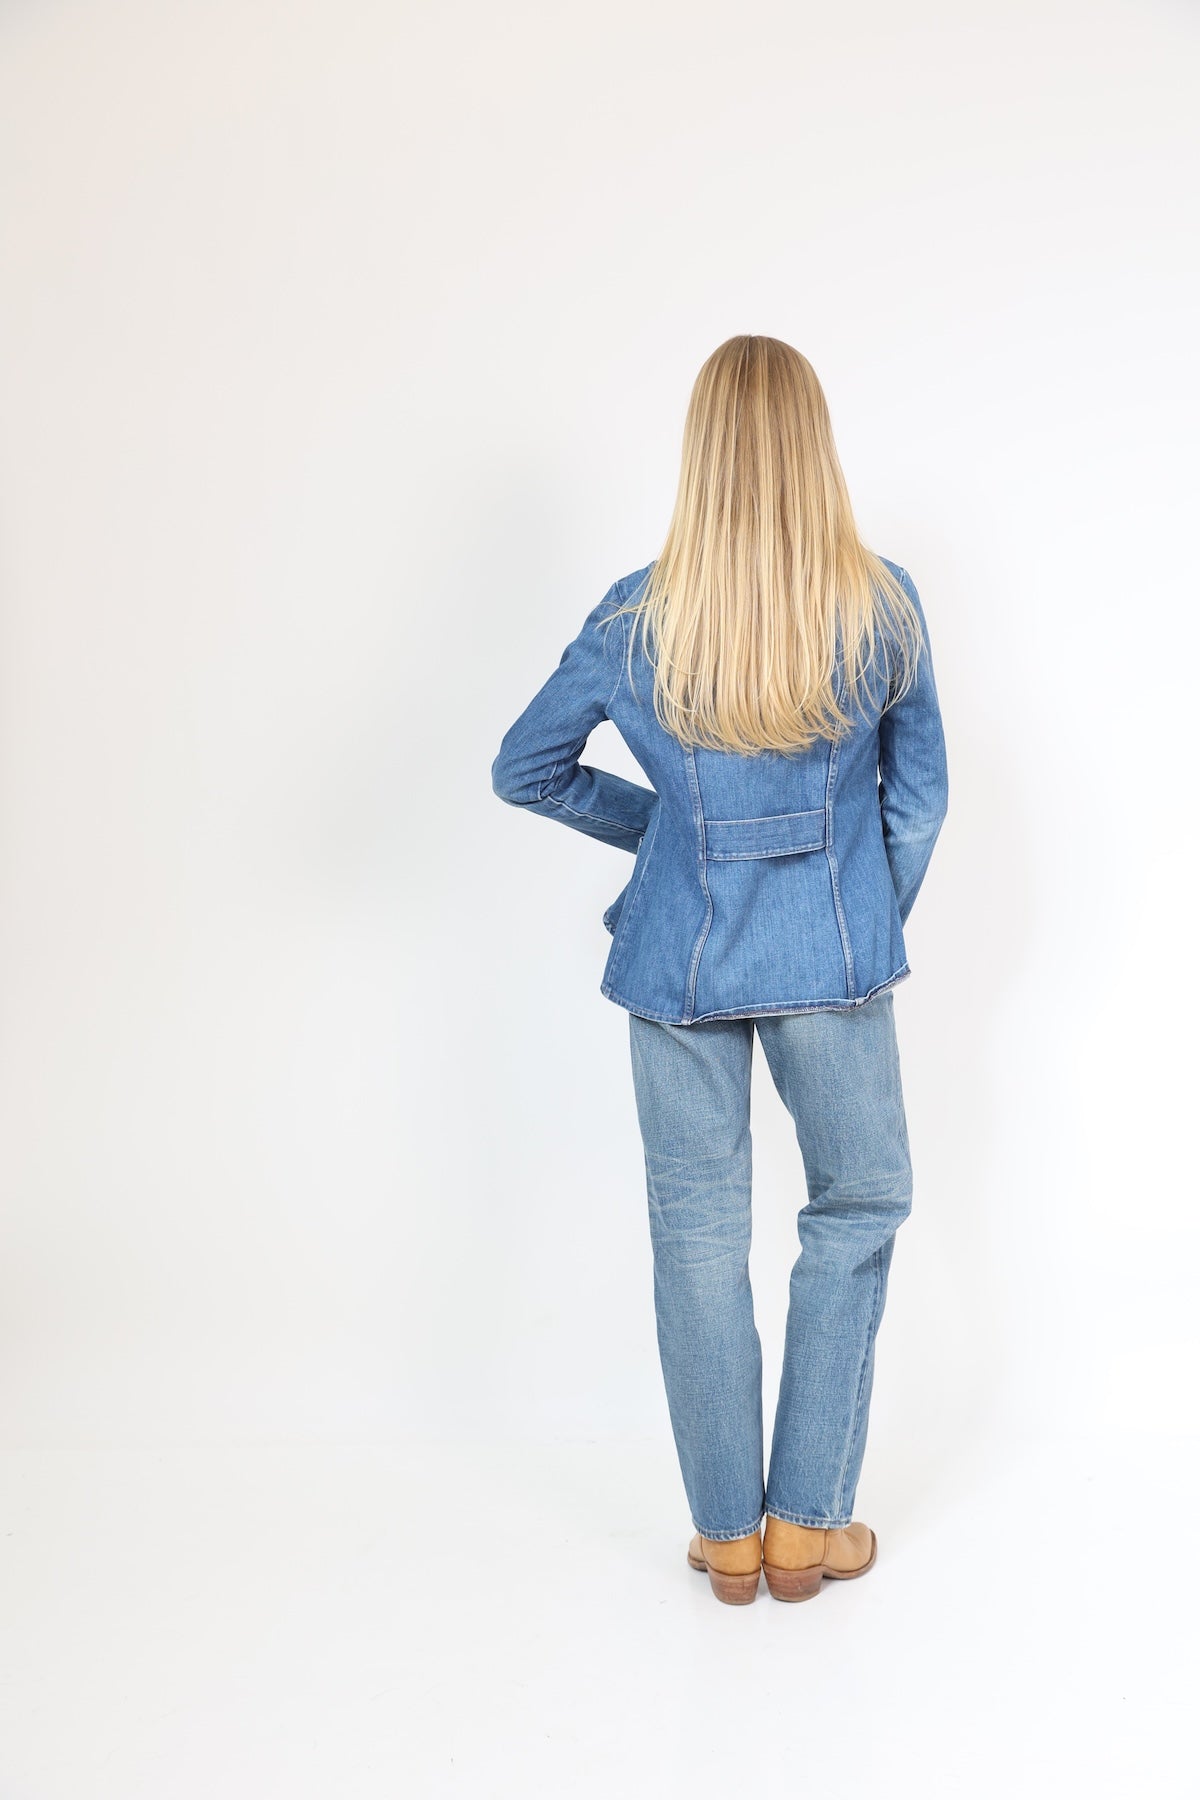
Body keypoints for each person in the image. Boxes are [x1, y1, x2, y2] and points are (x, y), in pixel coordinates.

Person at [491, 335, 949, 1606]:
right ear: (814, 446)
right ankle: (808, 1527)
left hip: (674, 965)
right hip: (830, 964)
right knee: (856, 1206)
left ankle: (728, 1539)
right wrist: (855, 923)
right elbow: (917, 805)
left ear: (701, 451)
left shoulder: (634, 618)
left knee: (696, 1233)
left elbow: (524, 770)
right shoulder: (883, 607)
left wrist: (672, 842)